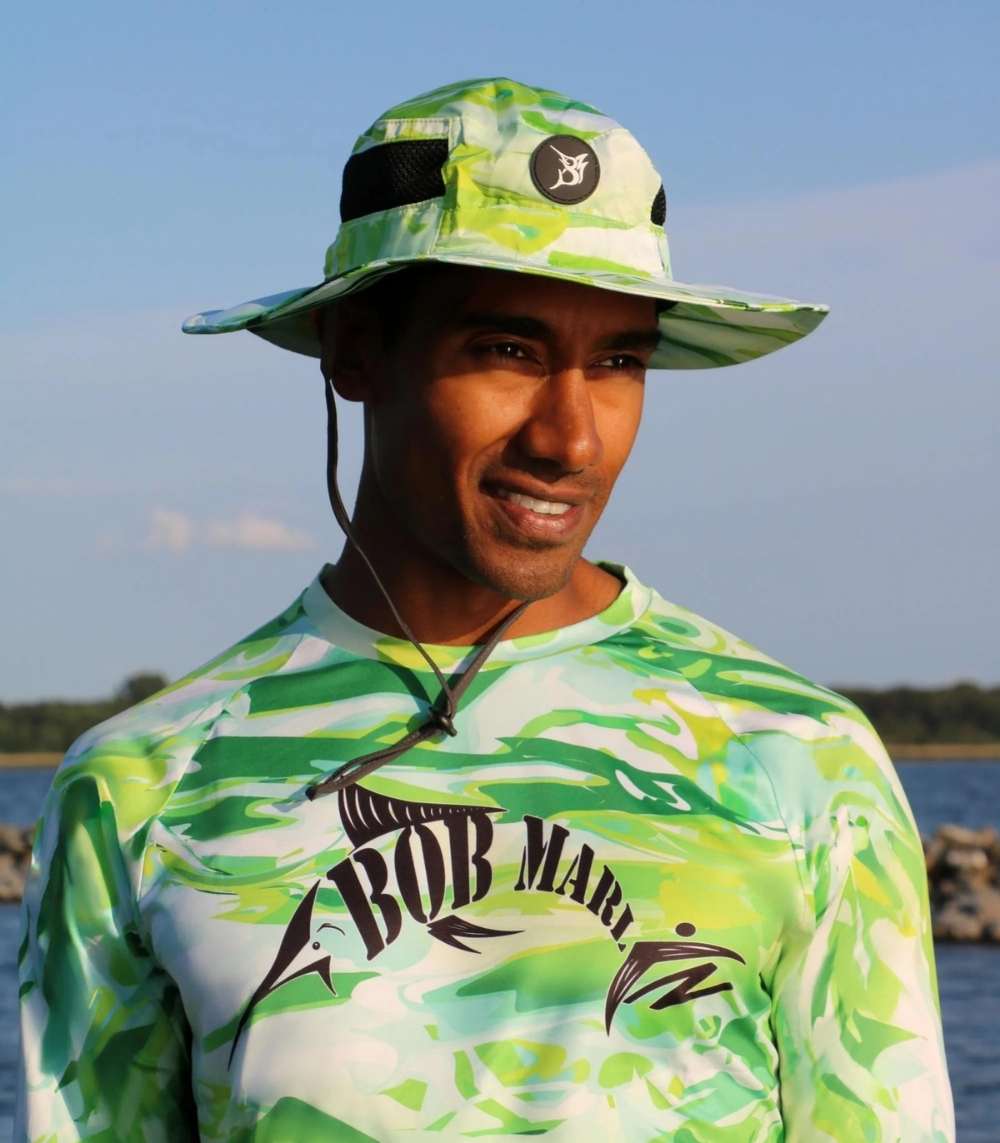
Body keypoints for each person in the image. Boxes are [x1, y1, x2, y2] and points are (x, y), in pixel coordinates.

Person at [17, 77, 954, 1141]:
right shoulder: (141, 789)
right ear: (356, 351)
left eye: (619, 362)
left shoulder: (802, 760)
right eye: (507, 352)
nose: (572, 438)